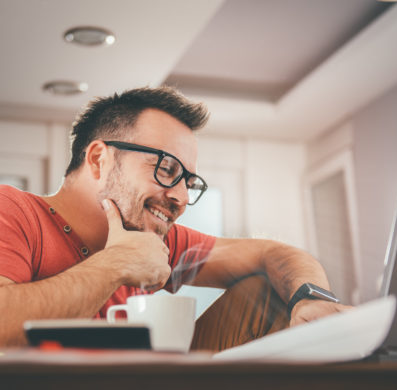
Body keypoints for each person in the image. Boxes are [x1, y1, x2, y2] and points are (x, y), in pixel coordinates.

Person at [0, 86, 347, 346]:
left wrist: (312, 298)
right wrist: (116, 263)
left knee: (269, 291)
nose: (181, 198)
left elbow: (273, 254)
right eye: (166, 169)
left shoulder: (161, 241)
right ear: (97, 160)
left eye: (189, 182)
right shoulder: (14, 211)